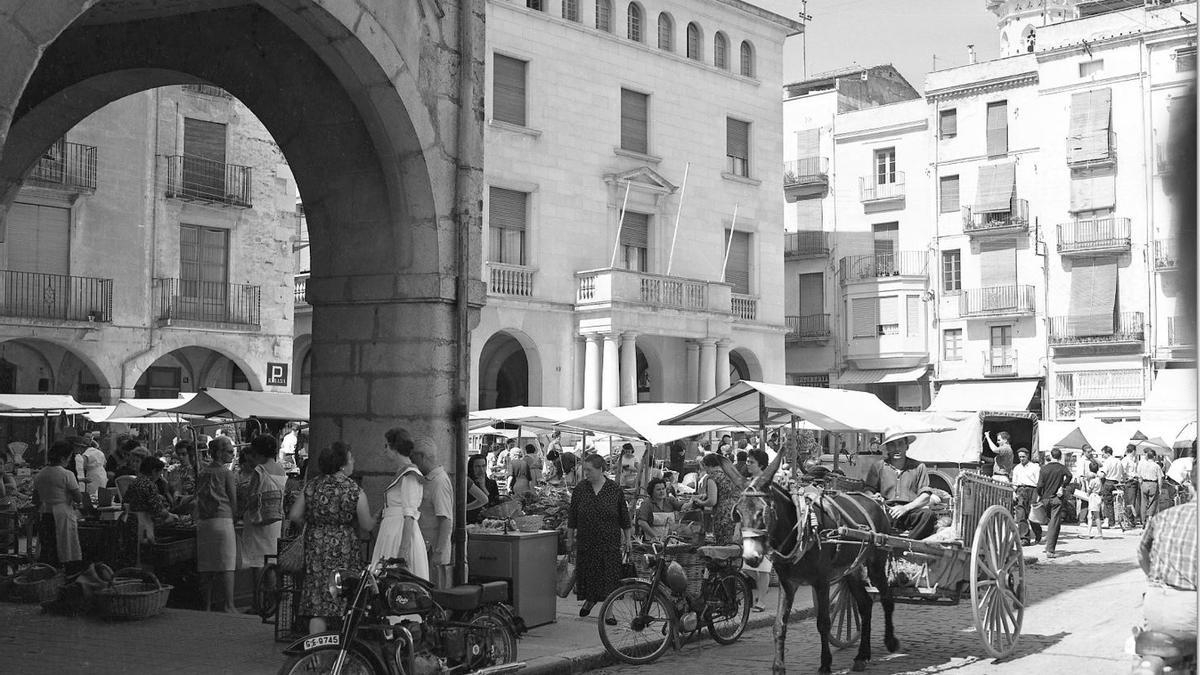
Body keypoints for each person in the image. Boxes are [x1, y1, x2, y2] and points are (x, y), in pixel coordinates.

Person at [289, 442, 374, 634]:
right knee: (344, 598)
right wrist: (379, 516)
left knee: (318, 603)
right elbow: (366, 525)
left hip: (316, 544)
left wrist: (312, 525)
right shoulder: (353, 490)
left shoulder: (312, 485)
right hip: (344, 546)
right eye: (351, 458)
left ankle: (316, 654)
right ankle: (340, 653)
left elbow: (294, 514)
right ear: (342, 465)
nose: (354, 462)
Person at [567, 453, 631, 617]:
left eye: (589, 470)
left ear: (601, 469)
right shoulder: (581, 489)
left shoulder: (614, 489)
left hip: (609, 541)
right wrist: (570, 537)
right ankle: (590, 600)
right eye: (584, 470)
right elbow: (572, 515)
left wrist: (628, 538)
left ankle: (608, 613)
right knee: (589, 574)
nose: (586, 473)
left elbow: (624, 515)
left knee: (609, 577)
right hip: (586, 540)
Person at [370, 428, 427, 580]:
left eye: (386, 446)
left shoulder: (410, 476)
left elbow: (409, 515)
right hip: (392, 531)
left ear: (394, 448)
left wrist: (403, 553)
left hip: (399, 533)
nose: (385, 450)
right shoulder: (404, 473)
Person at [1137, 497, 1197, 640]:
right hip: (1190, 613)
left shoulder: (1163, 516)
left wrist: (1152, 578)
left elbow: (1141, 552)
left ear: (1190, 487)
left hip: (1153, 606)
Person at [863, 429, 937, 540]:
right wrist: (874, 497)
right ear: (887, 447)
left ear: (907, 446)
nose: (897, 449)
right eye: (892, 445)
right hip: (886, 511)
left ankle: (906, 545)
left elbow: (925, 496)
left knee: (928, 515)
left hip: (910, 511)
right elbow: (868, 490)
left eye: (900, 444)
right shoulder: (878, 467)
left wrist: (905, 508)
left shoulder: (919, 467)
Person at [241, 435, 287, 612]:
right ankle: (272, 601)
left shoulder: (259, 470)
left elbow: (250, 494)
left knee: (257, 563)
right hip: (274, 520)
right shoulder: (281, 470)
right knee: (271, 560)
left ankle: (257, 603)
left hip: (258, 520)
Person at [195, 436, 239, 612]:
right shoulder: (227, 473)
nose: (232, 454)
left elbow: (197, 497)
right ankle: (229, 605)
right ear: (219, 453)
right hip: (224, 520)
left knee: (206, 565)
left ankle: (206, 606)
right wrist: (236, 517)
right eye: (229, 451)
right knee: (227, 565)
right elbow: (233, 499)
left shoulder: (203, 472)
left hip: (205, 522)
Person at [32, 440, 85, 572]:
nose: (69, 460)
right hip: (63, 514)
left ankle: (49, 574)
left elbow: (35, 499)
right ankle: (66, 573)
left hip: (45, 513)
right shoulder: (67, 474)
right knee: (66, 547)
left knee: (49, 547)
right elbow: (78, 498)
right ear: (63, 458)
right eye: (69, 457)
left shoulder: (40, 474)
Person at [412, 437, 453, 588]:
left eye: (413, 458)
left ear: (421, 457)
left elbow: (445, 520)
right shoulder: (430, 479)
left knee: (435, 594)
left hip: (432, 550)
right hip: (426, 548)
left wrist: (439, 552)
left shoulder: (439, 482)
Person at [689, 453, 740, 545]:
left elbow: (712, 501)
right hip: (735, 512)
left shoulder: (712, 477)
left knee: (723, 546)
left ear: (706, 465)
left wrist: (700, 501)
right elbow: (725, 492)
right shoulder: (730, 474)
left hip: (723, 514)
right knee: (733, 546)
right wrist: (706, 495)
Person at [745, 448, 773, 611]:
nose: (748, 464)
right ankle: (763, 588)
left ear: (761, 465)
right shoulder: (749, 481)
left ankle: (761, 600)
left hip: (763, 528)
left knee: (763, 567)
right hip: (750, 527)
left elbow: (769, 505)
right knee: (747, 566)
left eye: (751, 462)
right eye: (748, 461)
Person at [1036, 447, 1072, 559]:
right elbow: (1070, 476)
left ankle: (1047, 541)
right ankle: (1050, 550)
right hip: (1057, 498)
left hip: (1045, 498)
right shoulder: (1061, 468)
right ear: (1060, 457)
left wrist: (1040, 495)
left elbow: (1039, 485)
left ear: (1050, 456)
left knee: (1049, 521)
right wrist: (1063, 486)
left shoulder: (1044, 468)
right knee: (1055, 523)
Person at [465, 454, 500, 524]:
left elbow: (495, 504)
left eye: (483, 466)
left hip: (488, 522)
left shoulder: (491, 483)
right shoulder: (467, 483)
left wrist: (483, 488)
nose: (481, 470)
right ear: (471, 467)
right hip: (469, 521)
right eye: (477, 466)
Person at [1138, 449, 1166, 526]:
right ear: (1154, 457)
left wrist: (1141, 484)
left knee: (1143, 502)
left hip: (1144, 483)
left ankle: (1143, 520)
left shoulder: (1142, 465)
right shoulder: (1156, 466)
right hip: (1153, 484)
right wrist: (1160, 488)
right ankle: (1150, 518)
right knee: (1153, 501)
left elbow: (1139, 476)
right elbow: (1160, 478)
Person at [1098, 445, 1124, 527]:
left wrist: (1097, 473)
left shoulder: (1107, 461)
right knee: (1115, 502)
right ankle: (1114, 520)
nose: (1103, 456)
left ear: (1107, 453)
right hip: (1117, 482)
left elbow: (1103, 474)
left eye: (1103, 454)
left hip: (1108, 482)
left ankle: (1109, 521)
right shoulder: (1118, 461)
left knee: (1107, 502)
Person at [1084, 472, 1105, 539]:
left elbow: (1089, 490)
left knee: (1096, 516)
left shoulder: (1093, 481)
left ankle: (1099, 533)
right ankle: (1088, 532)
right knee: (1090, 516)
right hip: (1097, 497)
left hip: (1094, 497)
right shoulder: (1099, 480)